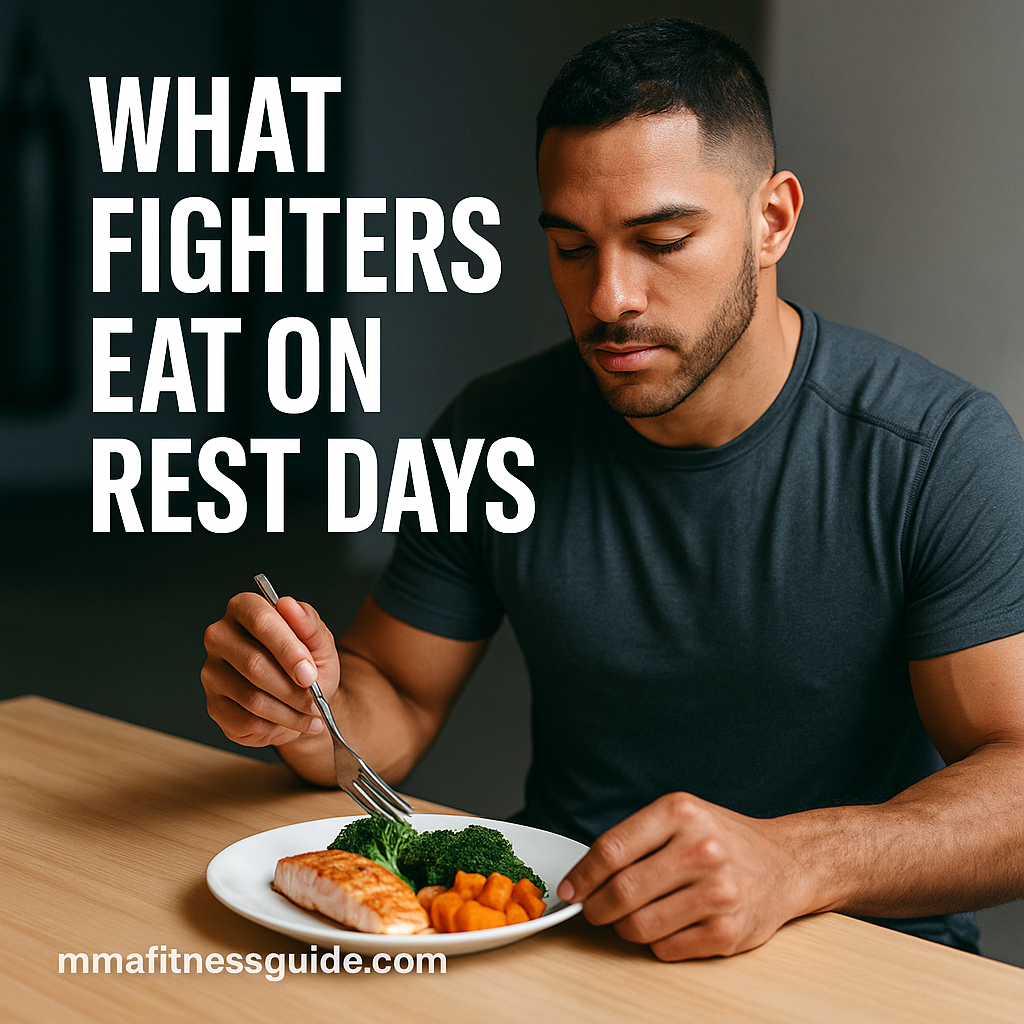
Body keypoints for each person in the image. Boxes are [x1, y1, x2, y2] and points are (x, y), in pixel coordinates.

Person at [202, 19, 1024, 960]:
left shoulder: (936, 450)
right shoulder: (493, 429)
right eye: (571, 248)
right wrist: (311, 710)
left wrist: (794, 860)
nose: (609, 299)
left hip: (862, 957)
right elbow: (398, 705)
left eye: (662, 240)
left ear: (773, 220)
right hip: (569, 935)